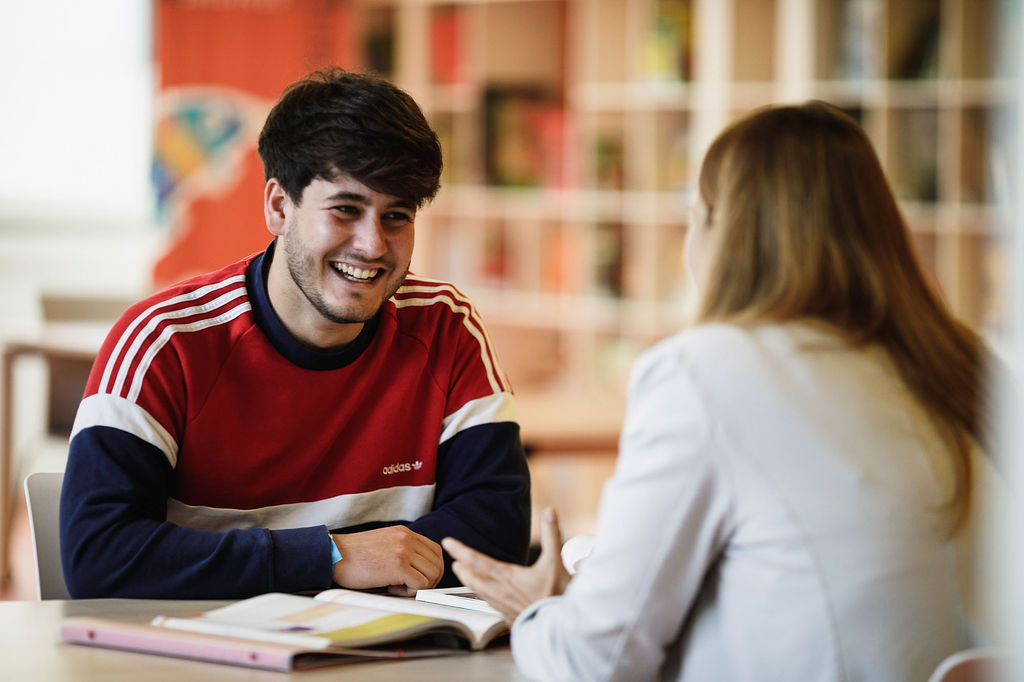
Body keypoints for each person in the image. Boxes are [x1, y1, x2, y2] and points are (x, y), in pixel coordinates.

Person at [444, 101, 992, 681]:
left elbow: (595, 662)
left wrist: (542, 611)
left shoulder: (705, 371)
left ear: (719, 232)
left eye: (693, 218)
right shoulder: (965, 365)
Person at [59, 68, 531, 599]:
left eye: (396, 217)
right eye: (346, 210)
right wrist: (328, 557)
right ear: (279, 206)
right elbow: (97, 556)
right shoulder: (163, 342)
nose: (373, 245)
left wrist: (344, 560)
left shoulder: (447, 327)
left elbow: (498, 533)